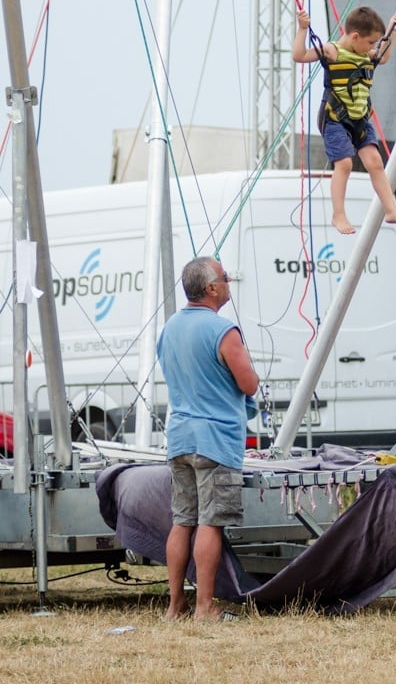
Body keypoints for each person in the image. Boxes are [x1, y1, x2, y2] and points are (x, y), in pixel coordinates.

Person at [158, 256, 259, 621]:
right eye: (226, 277)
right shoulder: (223, 330)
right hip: (216, 440)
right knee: (209, 522)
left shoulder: (169, 328)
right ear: (212, 288)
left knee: (182, 520)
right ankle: (204, 607)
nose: (230, 282)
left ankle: (174, 606)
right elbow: (248, 382)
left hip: (179, 438)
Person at [293, 6, 396, 235]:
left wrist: (392, 30)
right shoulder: (332, 51)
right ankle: (338, 215)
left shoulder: (366, 54)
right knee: (345, 163)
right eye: (371, 43)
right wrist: (302, 29)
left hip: (360, 118)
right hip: (335, 118)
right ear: (356, 36)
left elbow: (384, 55)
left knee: (375, 162)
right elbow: (299, 56)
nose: (373, 48)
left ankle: (391, 210)